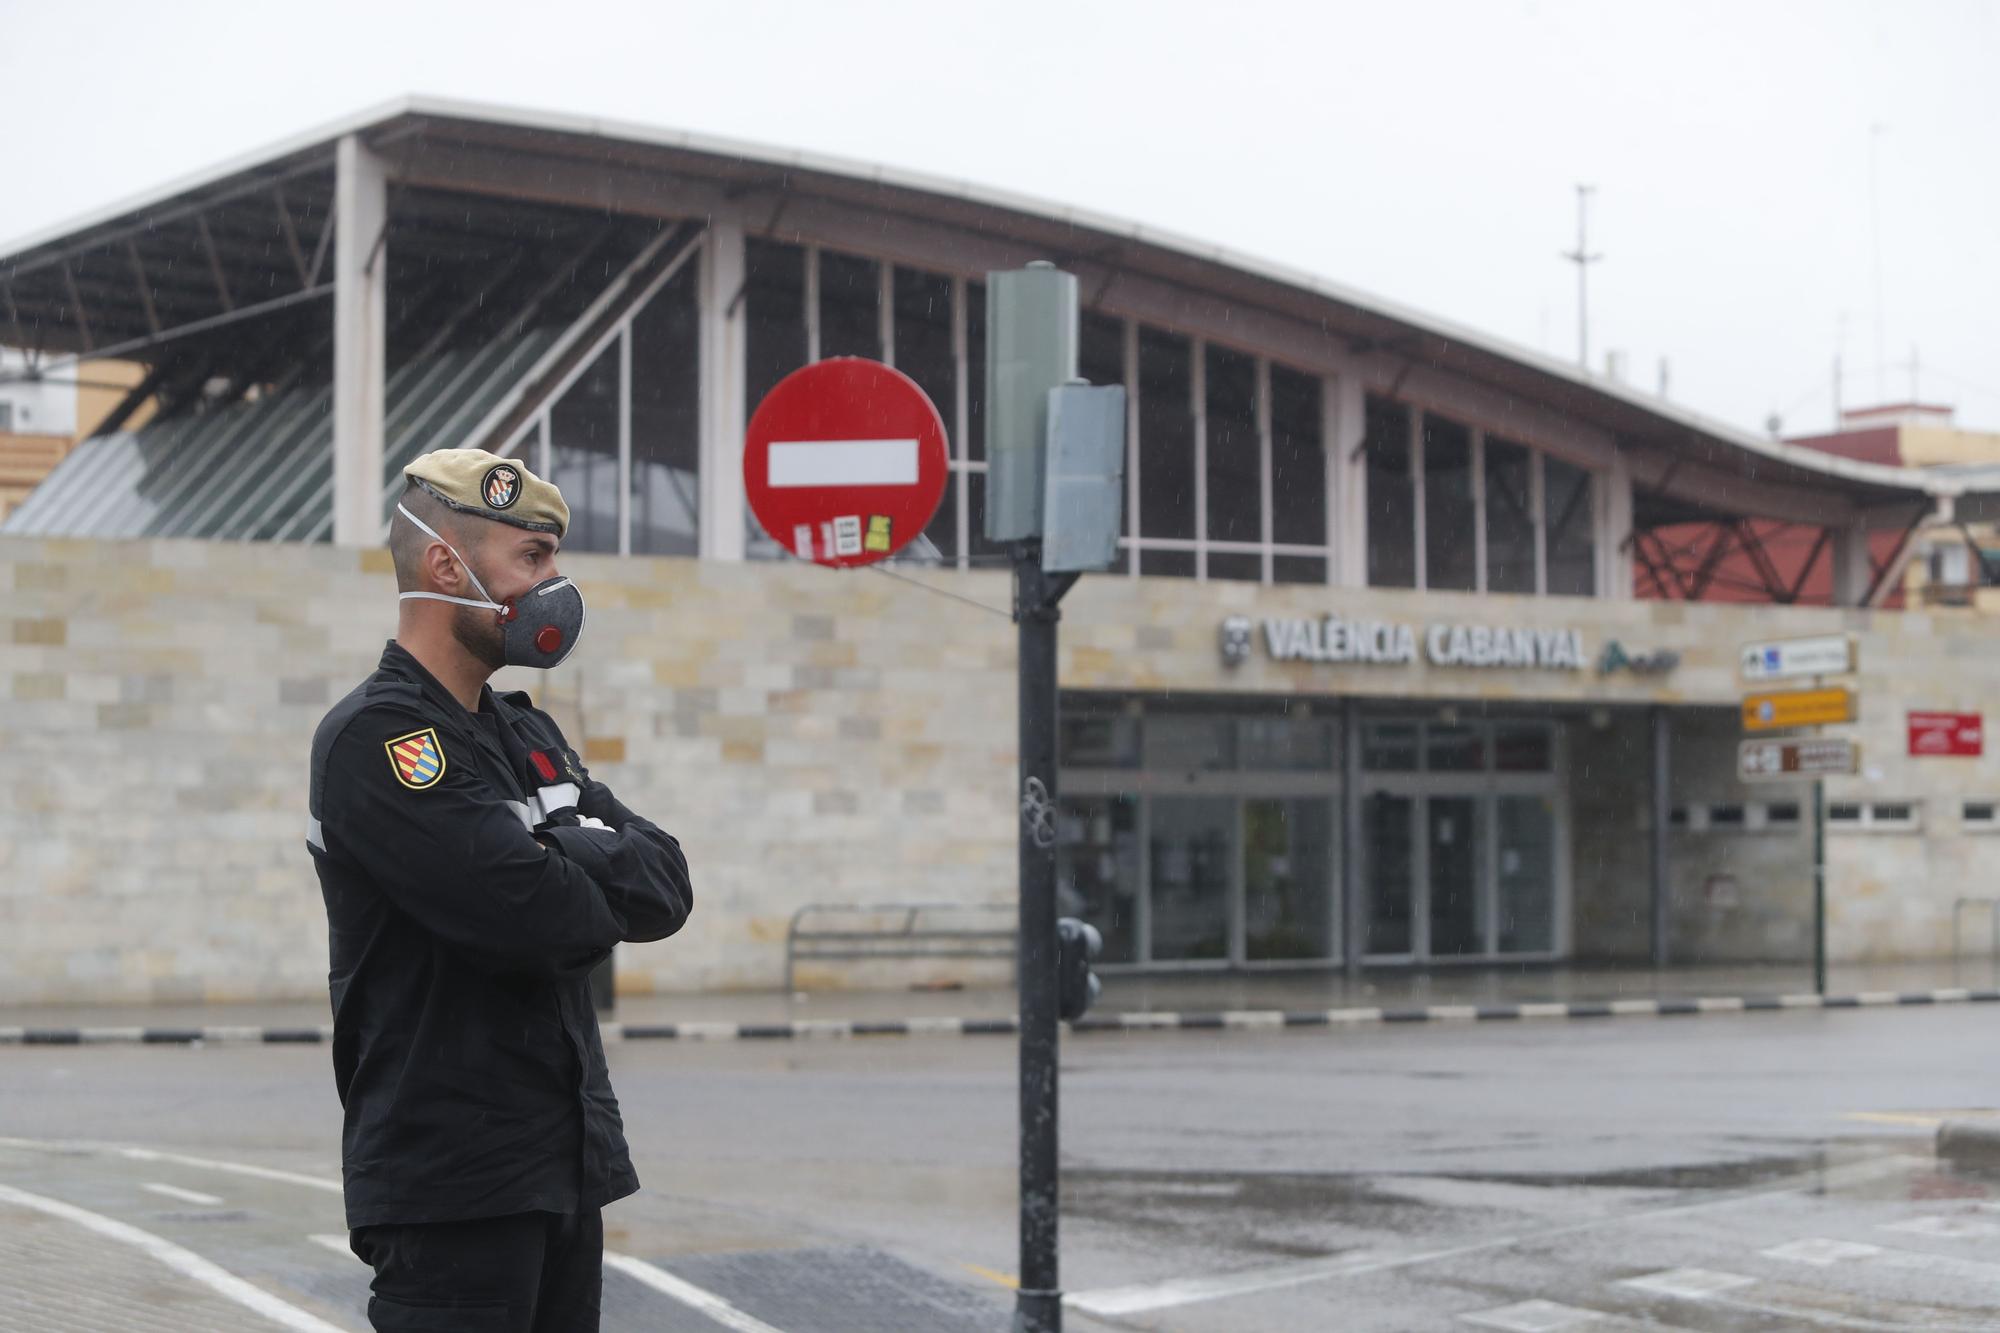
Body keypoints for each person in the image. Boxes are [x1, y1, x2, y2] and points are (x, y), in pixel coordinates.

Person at [305, 448, 693, 1332]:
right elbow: (537, 919)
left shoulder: (527, 731)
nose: (554, 582)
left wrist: (558, 854)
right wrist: (586, 855)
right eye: (533, 558)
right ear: (448, 566)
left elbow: (667, 883)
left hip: (562, 1168)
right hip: (452, 1189)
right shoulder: (381, 740)